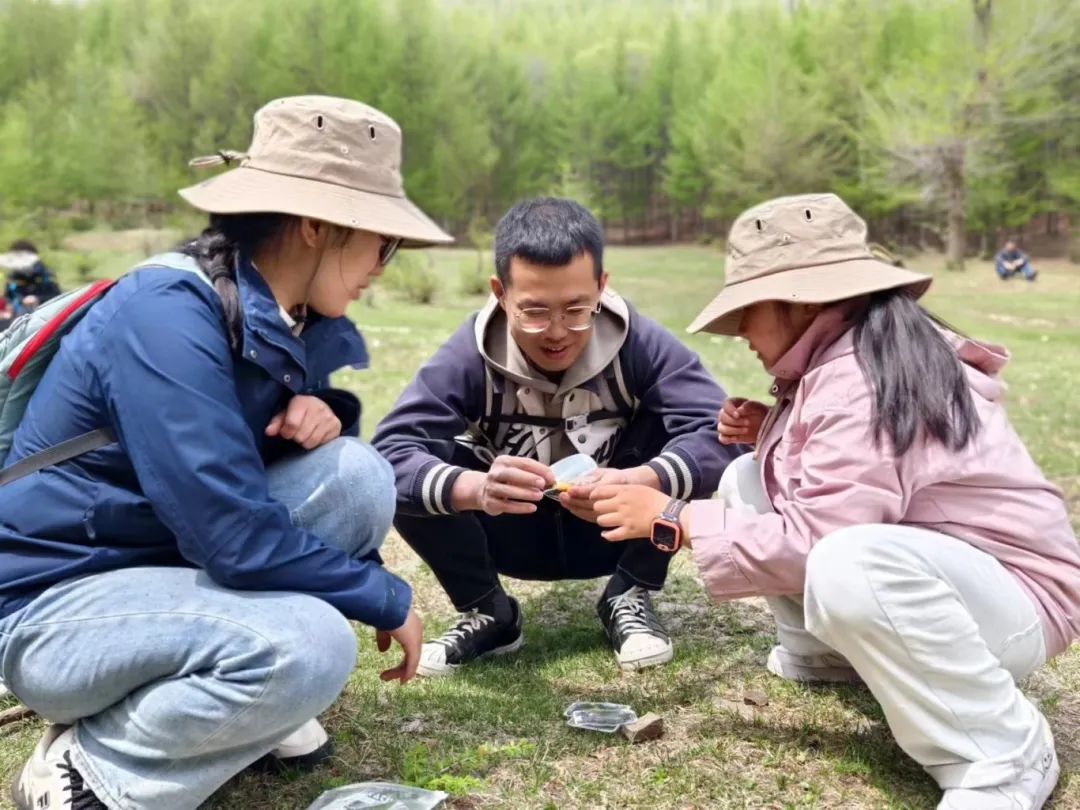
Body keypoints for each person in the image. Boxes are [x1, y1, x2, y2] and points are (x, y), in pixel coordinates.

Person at [0, 96, 452, 810]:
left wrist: (323, 410)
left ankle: (239, 701)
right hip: (52, 608)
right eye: (383, 244)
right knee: (313, 646)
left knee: (358, 477)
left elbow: (234, 447)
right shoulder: (167, 315)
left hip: (152, 561)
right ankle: (91, 765)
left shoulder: (268, 307)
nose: (383, 268)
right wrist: (383, 597)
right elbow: (233, 536)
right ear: (319, 227)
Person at [591, 193, 1080, 810]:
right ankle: (828, 658)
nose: (740, 332)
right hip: (966, 583)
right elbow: (857, 473)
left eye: (747, 310)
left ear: (798, 299)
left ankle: (1004, 753)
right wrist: (774, 428)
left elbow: (822, 535)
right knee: (749, 477)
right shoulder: (859, 353)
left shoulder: (860, 376)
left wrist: (674, 517)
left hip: (1016, 605)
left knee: (846, 559)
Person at [373, 197, 738, 677]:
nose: (558, 333)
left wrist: (642, 479)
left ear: (602, 287)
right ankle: (489, 610)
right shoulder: (469, 354)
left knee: (683, 439)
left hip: (616, 525)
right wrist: (478, 489)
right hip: (509, 529)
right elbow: (388, 456)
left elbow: (725, 435)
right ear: (500, 293)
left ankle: (629, 591)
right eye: (535, 312)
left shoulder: (639, 342)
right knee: (420, 469)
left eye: (577, 309)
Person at [1, 240, 62, 315]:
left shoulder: (46, 275)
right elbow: (8, 298)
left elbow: (57, 297)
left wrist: (38, 299)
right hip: (18, 318)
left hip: (43, 315)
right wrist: (8, 308)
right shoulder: (13, 277)